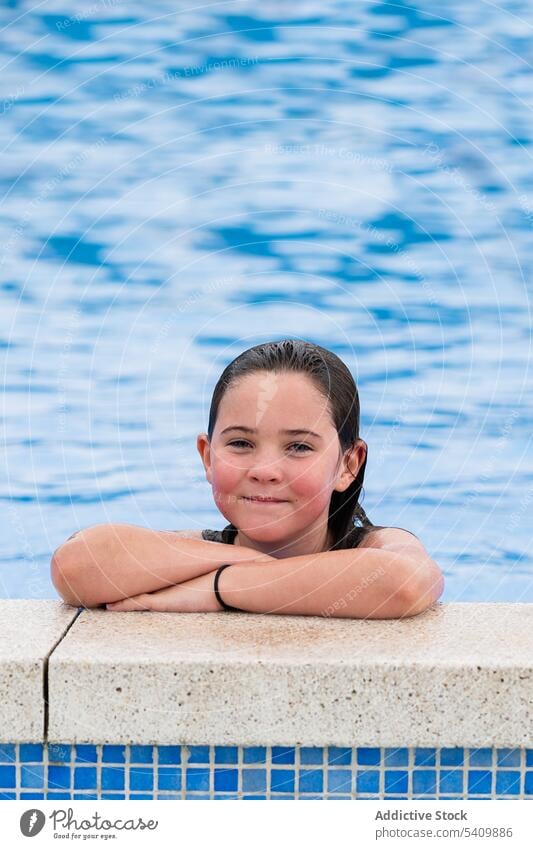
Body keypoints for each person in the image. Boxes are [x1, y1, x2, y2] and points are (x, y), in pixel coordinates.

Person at [51, 339, 444, 618]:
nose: (265, 471)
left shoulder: (376, 545)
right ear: (207, 456)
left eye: (299, 447)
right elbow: (76, 566)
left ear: (348, 464)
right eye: (240, 443)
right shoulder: (202, 553)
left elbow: (406, 583)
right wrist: (246, 560)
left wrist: (220, 589)